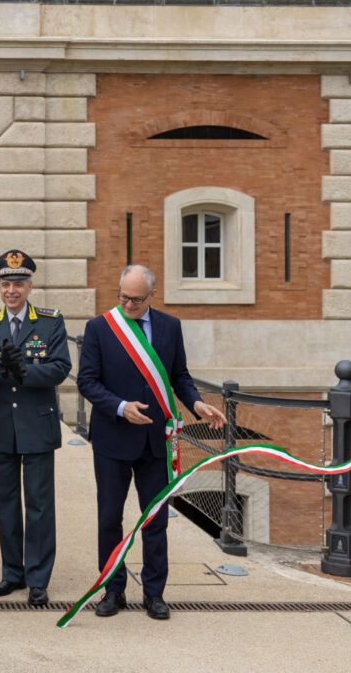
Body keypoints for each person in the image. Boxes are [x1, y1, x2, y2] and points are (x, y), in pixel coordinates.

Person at [76, 264, 226, 620]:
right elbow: (87, 381)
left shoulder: (170, 327)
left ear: (150, 297)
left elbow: (180, 377)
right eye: (123, 297)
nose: (128, 304)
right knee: (109, 519)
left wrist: (197, 404)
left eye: (136, 299)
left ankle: (154, 593)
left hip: (156, 441)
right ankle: (113, 590)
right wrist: (120, 406)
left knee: (156, 519)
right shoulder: (99, 328)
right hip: (113, 439)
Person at [0, 249, 71, 606]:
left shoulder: (50, 321)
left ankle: (38, 577)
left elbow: (60, 367)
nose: (12, 291)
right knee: (7, 503)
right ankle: (12, 572)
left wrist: (25, 371)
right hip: (1, 425)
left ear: (30, 286)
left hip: (37, 423)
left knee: (39, 505)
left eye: (19, 284)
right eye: (6, 284)